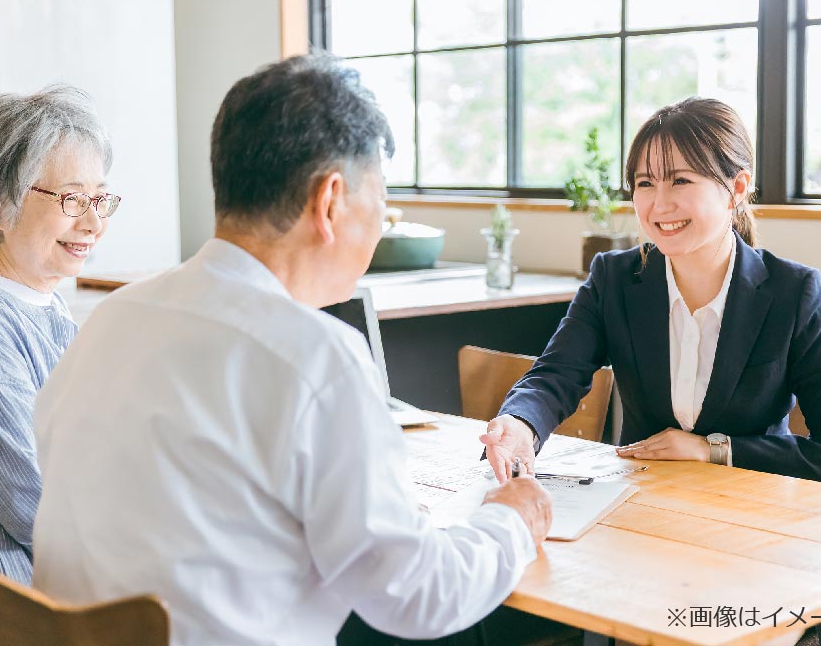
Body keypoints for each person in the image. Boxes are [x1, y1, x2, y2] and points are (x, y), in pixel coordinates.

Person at [31, 54, 552, 646]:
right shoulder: (315, 358)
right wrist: (511, 518)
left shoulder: (112, 319)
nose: (380, 224)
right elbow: (414, 595)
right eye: (379, 200)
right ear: (330, 201)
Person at [482, 96, 821, 645]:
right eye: (644, 184)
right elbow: (555, 375)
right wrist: (520, 423)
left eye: (680, 181)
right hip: (640, 537)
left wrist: (714, 448)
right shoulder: (615, 280)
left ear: (736, 188)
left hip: (754, 546)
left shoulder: (792, 293)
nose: (658, 204)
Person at [0, 85, 118, 646]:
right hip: (1, 626)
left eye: (100, 199)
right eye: (72, 199)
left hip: (46, 608)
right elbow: (45, 507)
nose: (92, 222)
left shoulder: (40, 303)